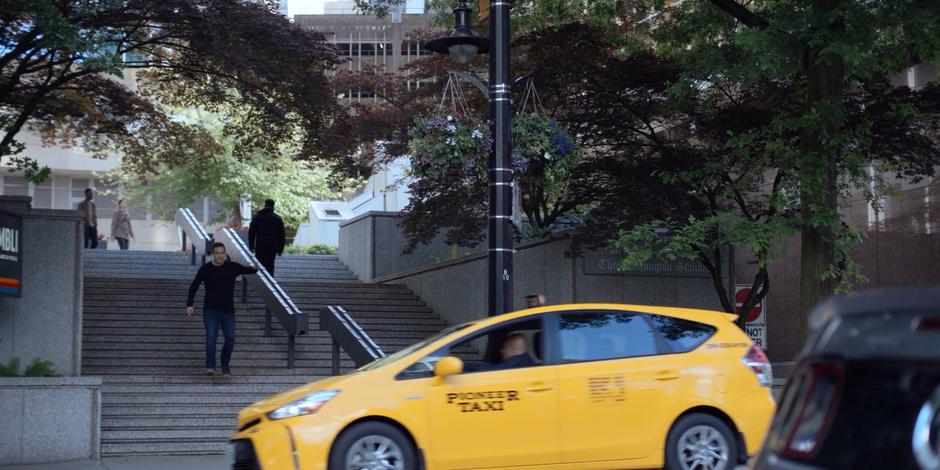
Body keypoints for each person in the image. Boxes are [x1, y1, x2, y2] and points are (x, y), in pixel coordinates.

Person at [186, 242, 258, 376]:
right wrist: (190, 304)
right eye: (217, 253)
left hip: (228, 311)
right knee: (211, 337)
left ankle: (225, 365)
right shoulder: (205, 269)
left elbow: (249, 270)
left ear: (225, 253)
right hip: (210, 310)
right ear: (213, 254)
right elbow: (194, 285)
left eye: (222, 253)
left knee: (230, 339)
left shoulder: (232, 267)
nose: (220, 256)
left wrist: (256, 265)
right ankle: (210, 366)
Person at [248, 199, 286, 275]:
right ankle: (270, 282)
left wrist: (251, 246)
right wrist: (280, 249)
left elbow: (251, 232)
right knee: (270, 265)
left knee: (260, 265)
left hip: (260, 245)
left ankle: (260, 283)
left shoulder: (257, 217)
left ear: (265, 205)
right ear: (273, 206)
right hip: (273, 246)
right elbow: (282, 235)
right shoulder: (277, 218)